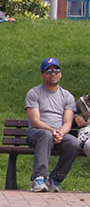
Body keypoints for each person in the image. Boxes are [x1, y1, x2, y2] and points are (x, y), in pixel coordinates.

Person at [25, 57, 80, 193]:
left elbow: (67, 122)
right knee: (46, 135)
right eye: (48, 71)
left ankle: (56, 179)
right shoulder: (34, 93)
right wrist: (51, 130)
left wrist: (61, 133)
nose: (53, 73)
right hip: (37, 133)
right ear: (42, 75)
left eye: (56, 70)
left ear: (60, 74)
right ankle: (39, 179)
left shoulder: (67, 96)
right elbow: (35, 121)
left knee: (74, 143)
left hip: (58, 135)